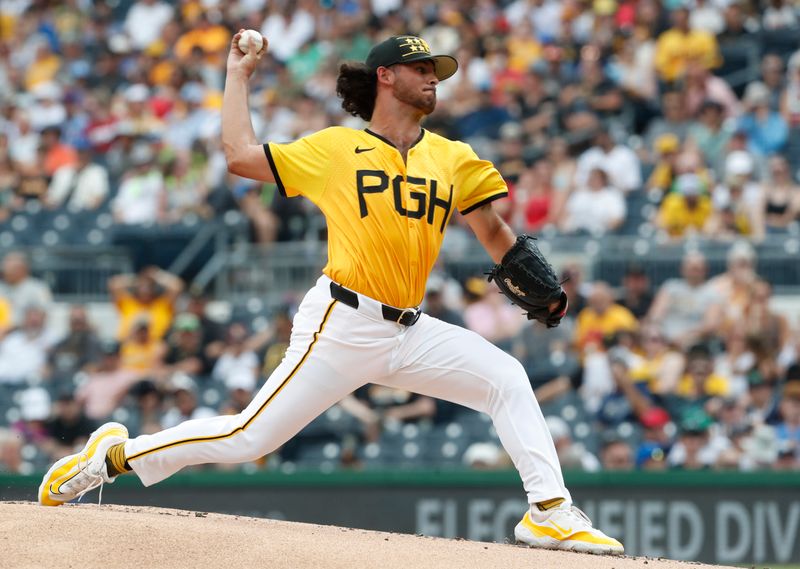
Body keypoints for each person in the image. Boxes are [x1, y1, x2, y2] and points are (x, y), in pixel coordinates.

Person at [38, 32, 623, 555]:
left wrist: (539, 288)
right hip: (341, 323)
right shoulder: (335, 149)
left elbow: (494, 232)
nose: (433, 79)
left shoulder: (453, 157)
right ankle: (111, 457)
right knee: (248, 437)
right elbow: (241, 157)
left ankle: (549, 513)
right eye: (421, 69)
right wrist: (237, 76)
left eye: (437, 72)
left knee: (507, 379)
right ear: (386, 77)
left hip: (411, 330)